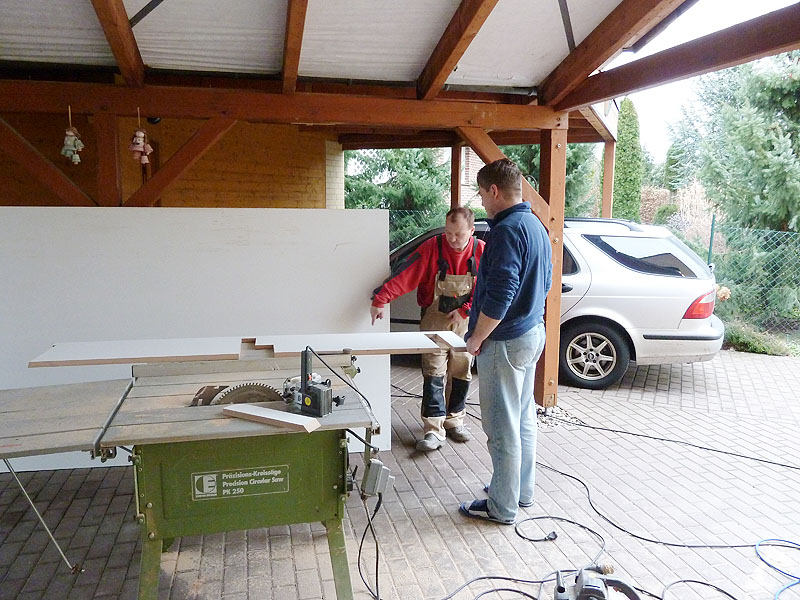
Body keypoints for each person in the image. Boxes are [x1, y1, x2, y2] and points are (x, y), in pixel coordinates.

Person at [458, 159, 552, 525]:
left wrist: (476, 338)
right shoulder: (535, 225)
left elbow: (500, 295)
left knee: (501, 427)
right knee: (523, 417)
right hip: (532, 333)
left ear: (495, 191)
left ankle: (501, 507)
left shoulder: (506, 232)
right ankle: (519, 491)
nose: (482, 201)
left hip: (506, 342)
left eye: (482, 194)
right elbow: (545, 282)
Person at [371, 206, 485, 451]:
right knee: (433, 373)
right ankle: (433, 429)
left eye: (459, 234)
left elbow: (489, 290)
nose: (452, 239)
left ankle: (455, 421)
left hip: (466, 324)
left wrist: (466, 309)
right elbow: (405, 276)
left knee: (461, 371)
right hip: (434, 322)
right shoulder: (433, 247)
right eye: (448, 233)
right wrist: (381, 299)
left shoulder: (482, 252)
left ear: (472, 231)